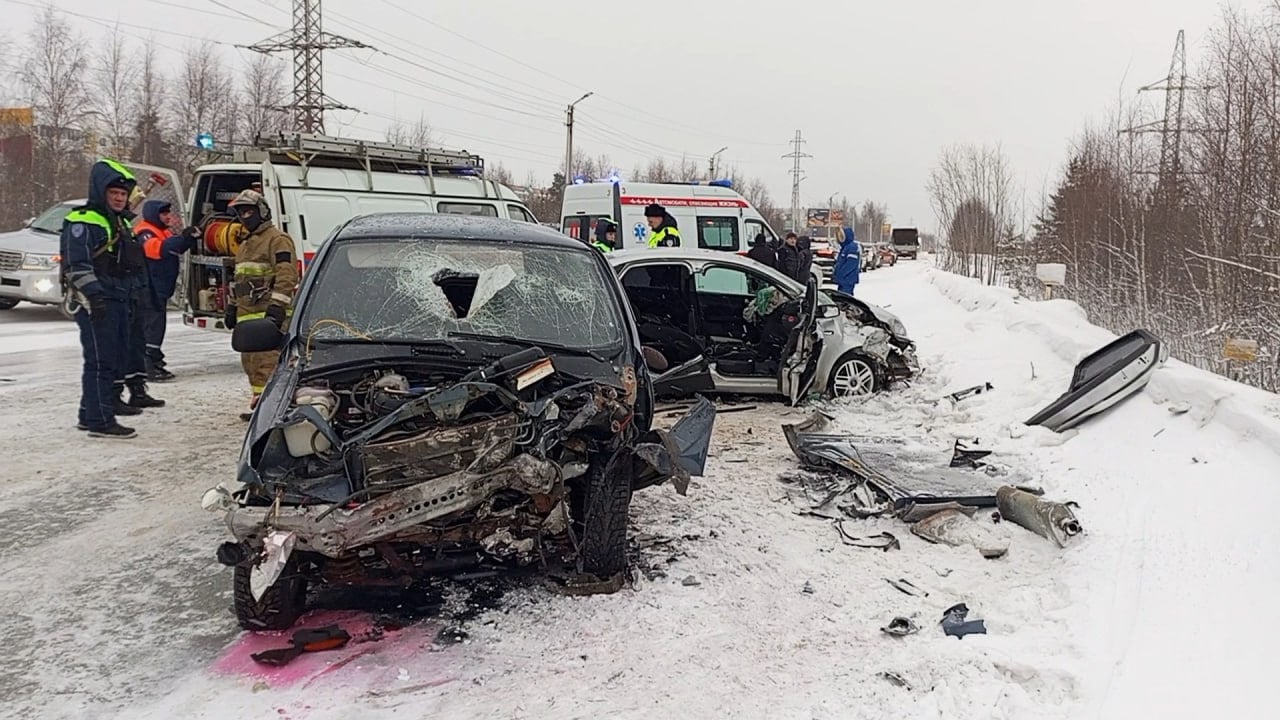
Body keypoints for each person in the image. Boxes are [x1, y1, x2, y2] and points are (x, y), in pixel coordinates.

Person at [61, 159, 141, 438]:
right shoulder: (83, 221)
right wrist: (95, 298)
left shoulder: (117, 221)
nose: (120, 198)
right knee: (100, 360)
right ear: (101, 192)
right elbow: (77, 265)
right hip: (95, 301)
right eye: (114, 193)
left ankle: (89, 413)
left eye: (123, 194)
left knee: (112, 359)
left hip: (116, 299)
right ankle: (100, 420)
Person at [222, 189, 299, 421]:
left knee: (269, 363)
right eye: (241, 212)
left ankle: (274, 409)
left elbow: (287, 275)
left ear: (262, 212)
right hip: (247, 315)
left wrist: (277, 307)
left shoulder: (277, 240)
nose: (245, 217)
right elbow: (240, 280)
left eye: (249, 211)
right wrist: (232, 306)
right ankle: (261, 406)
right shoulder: (245, 244)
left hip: (267, 314)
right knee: (252, 364)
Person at [132, 200, 200, 382]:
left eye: (168, 213)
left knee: (156, 327)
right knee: (151, 328)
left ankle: (153, 361)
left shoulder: (162, 231)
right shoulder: (145, 232)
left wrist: (188, 239)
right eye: (164, 214)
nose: (168, 216)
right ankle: (147, 365)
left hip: (158, 289)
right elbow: (159, 250)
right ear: (154, 214)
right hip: (148, 289)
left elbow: (175, 247)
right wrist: (183, 238)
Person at [834, 226, 862, 295]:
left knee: (845, 299)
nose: (839, 238)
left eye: (841, 236)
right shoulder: (844, 248)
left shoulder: (852, 247)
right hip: (843, 280)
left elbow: (851, 264)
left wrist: (841, 274)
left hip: (847, 280)